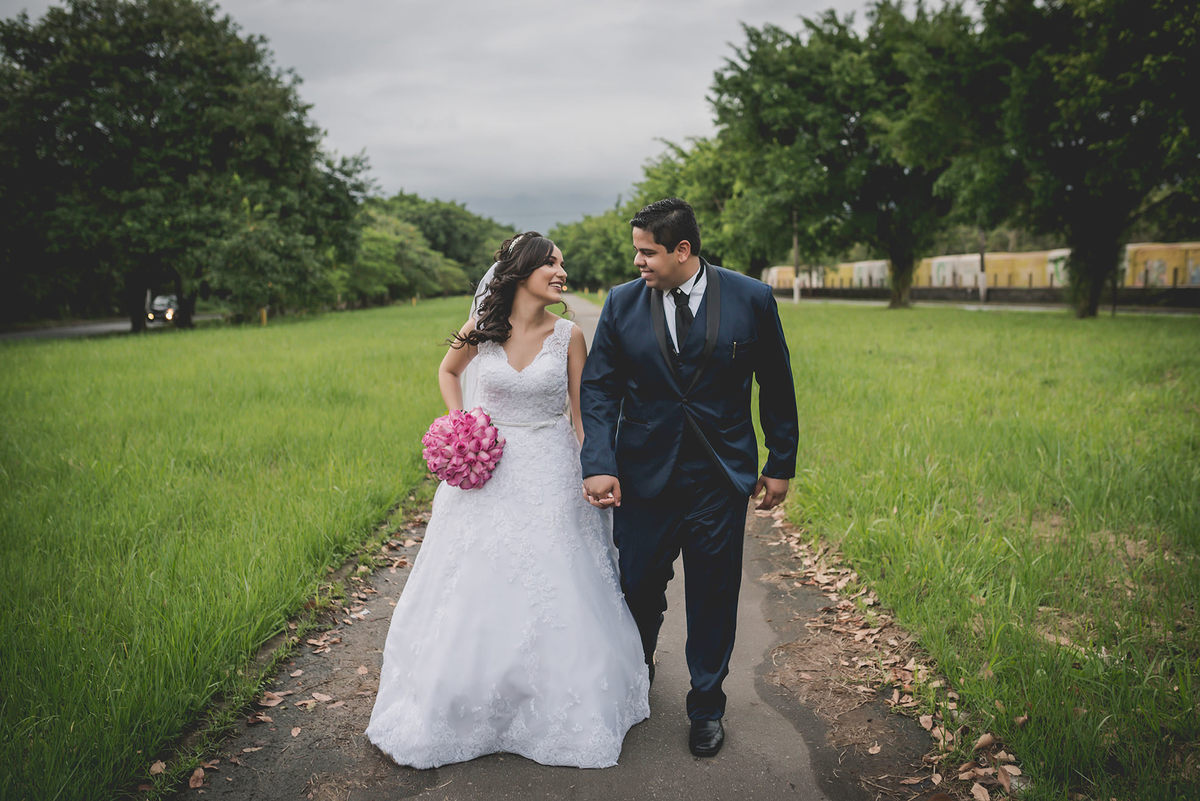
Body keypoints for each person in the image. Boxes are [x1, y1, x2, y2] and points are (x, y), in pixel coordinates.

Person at [366, 233, 650, 769]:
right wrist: (461, 424)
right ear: (521, 272)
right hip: (488, 464)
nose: (562, 272)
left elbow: (582, 413)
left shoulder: (568, 335)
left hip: (551, 466)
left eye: (563, 264)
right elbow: (449, 371)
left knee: (557, 573)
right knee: (477, 573)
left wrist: (596, 469)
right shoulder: (483, 327)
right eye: (551, 264)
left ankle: (558, 697)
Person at [580, 198, 798, 758]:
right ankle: (638, 671)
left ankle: (706, 705)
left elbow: (775, 382)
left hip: (719, 475)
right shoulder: (622, 302)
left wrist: (780, 463)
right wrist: (599, 461)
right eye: (636, 251)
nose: (638, 262)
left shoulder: (751, 297)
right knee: (637, 584)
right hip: (642, 474)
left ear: (682, 250)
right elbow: (600, 388)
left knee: (713, 594)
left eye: (647, 252)